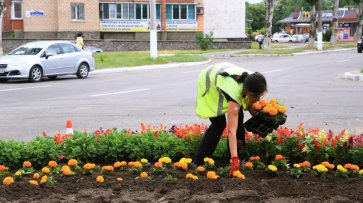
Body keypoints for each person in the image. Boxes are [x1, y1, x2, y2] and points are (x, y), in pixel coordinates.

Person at [194, 62, 267, 176]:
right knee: (219, 124)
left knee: (239, 116)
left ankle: (236, 155)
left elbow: (249, 105)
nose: (257, 100)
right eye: (254, 97)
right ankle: (199, 162)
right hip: (210, 80)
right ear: (246, 91)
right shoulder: (234, 93)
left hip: (225, 76)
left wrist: (263, 118)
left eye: (260, 96)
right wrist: (234, 159)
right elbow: (231, 130)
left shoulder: (256, 80)